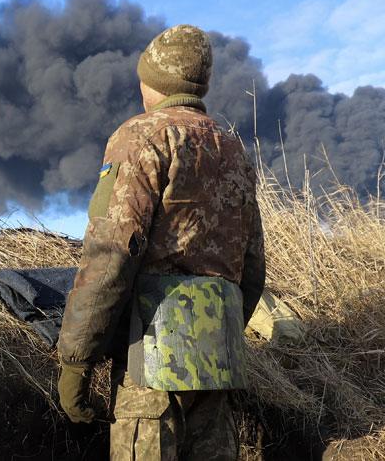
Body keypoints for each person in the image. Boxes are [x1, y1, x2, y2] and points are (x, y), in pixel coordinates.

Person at [57, 24, 266, 460]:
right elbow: (252, 269)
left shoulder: (140, 136)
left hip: (151, 363)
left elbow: (111, 255)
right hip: (217, 363)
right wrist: (215, 331)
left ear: (152, 82)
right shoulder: (233, 151)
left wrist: (76, 361)